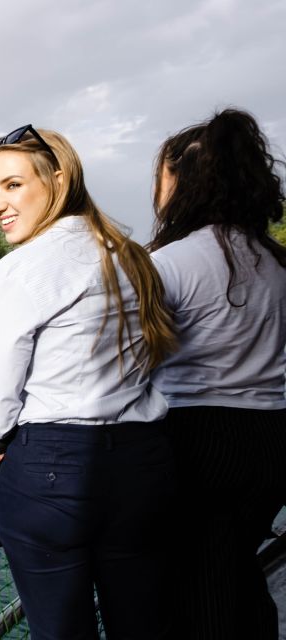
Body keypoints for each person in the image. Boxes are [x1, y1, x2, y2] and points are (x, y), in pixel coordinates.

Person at [0, 124, 177, 639]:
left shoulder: (19, 270)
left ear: (58, 180)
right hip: (141, 463)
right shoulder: (133, 257)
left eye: (13, 185)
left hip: (52, 470)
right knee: (141, 625)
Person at [148, 108, 286, 639]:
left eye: (161, 178)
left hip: (199, 442)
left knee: (195, 586)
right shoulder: (274, 260)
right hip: (272, 434)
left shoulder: (169, 263)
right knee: (235, 568)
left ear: (183, 182)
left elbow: (125, 362)